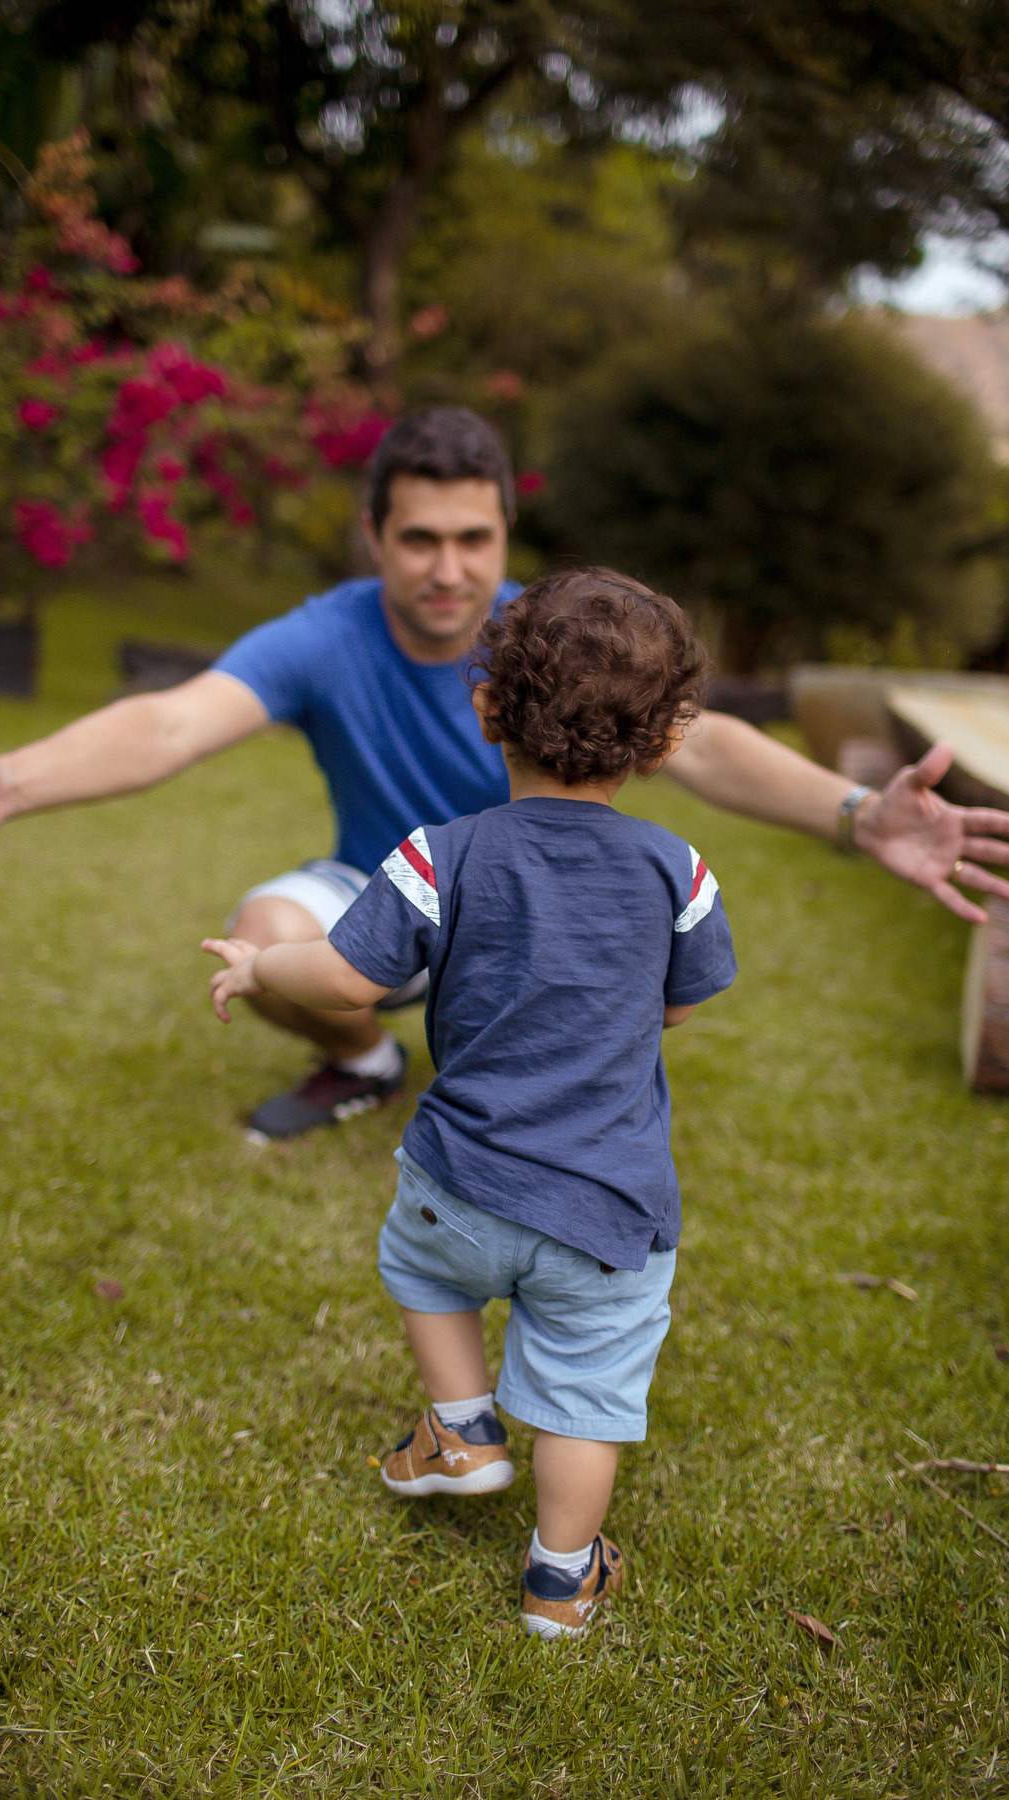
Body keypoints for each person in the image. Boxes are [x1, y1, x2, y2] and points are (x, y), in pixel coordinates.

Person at [0, 408, 1009, 1139]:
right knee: (264, 924)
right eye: (418, 540)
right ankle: (365, 1062)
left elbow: (707, 743)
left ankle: (520, 1104)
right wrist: (9, 783)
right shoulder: (323, 636)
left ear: (505, 532)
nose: (448, 570)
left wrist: (856, 813)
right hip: (384, 894)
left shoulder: (554, 636)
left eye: (473, 540)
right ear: (374, 535)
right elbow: (169, 725)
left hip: (532, 924)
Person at [204, 569, 737, 1638]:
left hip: (461, 1182)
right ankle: (560, 1578)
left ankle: (460, 1427)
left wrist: (264, 967)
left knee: (417, 1264)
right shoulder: (679, 873)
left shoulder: (436, 856)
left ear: (487, 705)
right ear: (665, 740)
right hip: (607, 1208)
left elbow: (349, 981)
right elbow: (680, 1009)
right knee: (586, 1396)